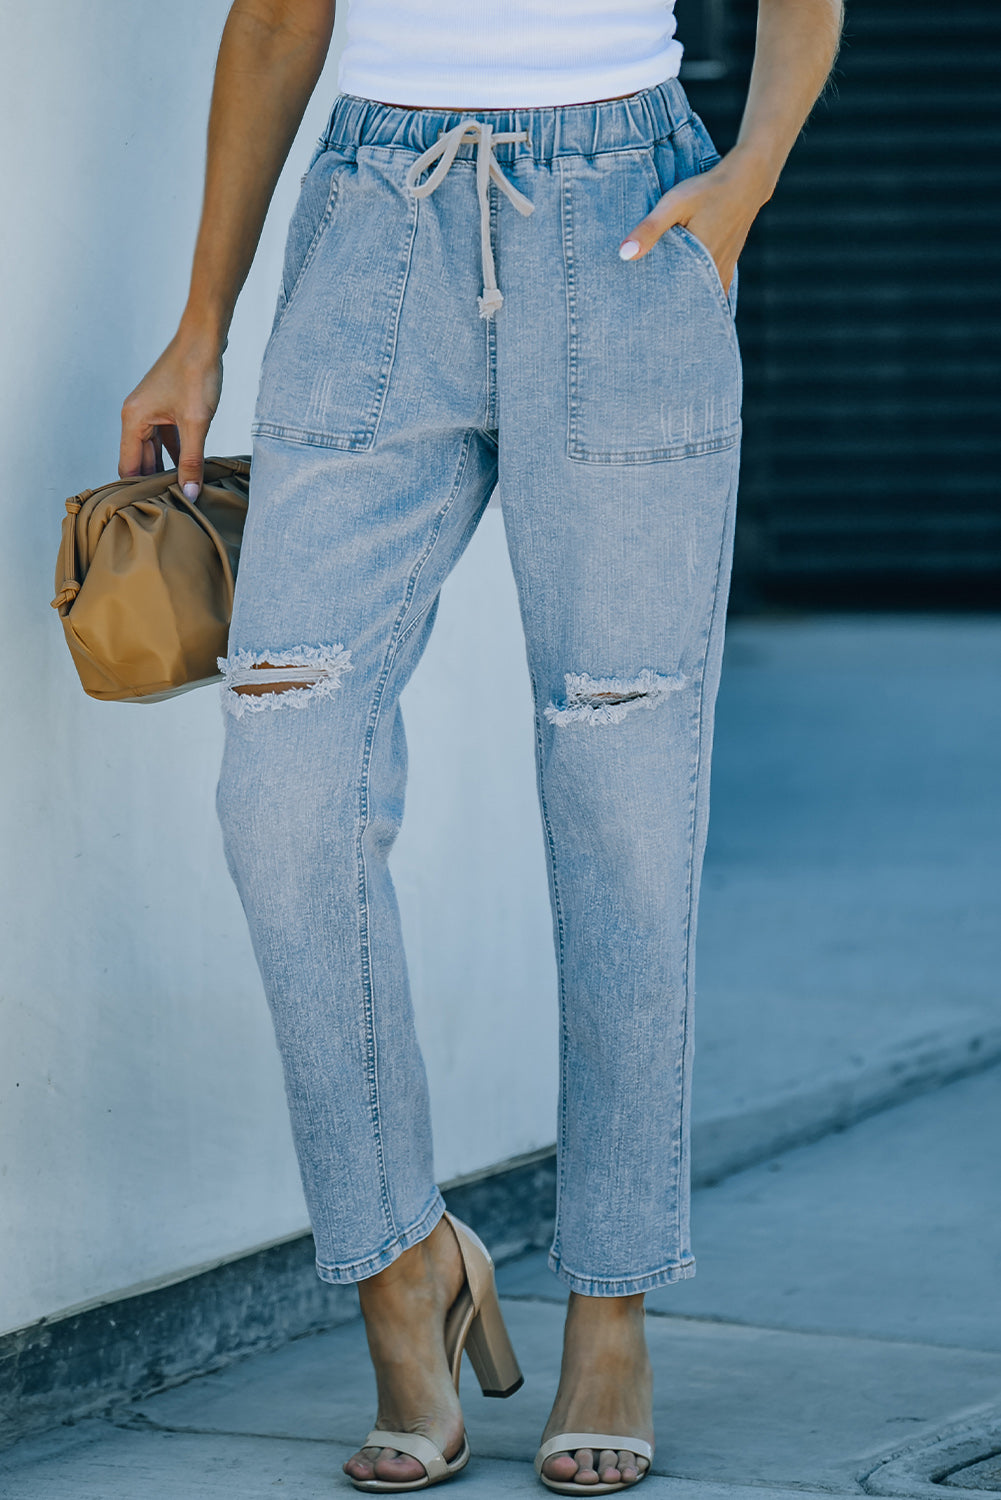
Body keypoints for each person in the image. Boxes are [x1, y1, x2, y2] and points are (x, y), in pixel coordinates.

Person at [119, 0, 843, 1490]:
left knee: (624, 782)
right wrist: (200, 328)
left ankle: (611, 1303)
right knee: (285, 777)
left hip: (625, 218)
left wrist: (751, 173)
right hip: (373, 222)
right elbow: (276, 19)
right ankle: (401, 1264)